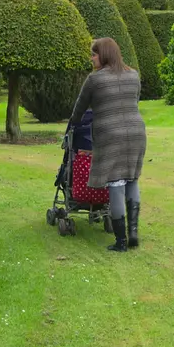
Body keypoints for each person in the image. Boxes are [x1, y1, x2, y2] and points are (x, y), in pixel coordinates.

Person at [69, 37, 147, 252]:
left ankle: (120, 241)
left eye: (94, 54)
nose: (91, 58)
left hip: (111, 135)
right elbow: (134, 101)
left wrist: (73, 124)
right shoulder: (133, 75)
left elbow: (79, 108)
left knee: (115, 183)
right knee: (132, 180)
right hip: (136, 132)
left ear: (103, 55)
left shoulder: (95, 80)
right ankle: (133, 235)